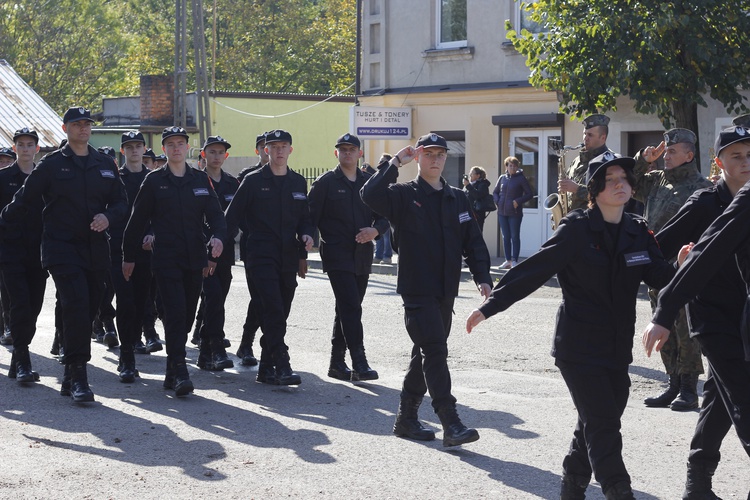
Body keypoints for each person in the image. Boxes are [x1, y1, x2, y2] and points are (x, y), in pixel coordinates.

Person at [466, 152, 680, 500]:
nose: (619, 184)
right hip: (578, 347)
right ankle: (618, 490)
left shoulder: (637, 230)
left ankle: (572, 485)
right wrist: (492, 305)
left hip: (616, 346)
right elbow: (535, 269)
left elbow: (659, 275)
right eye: (610, 180)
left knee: (597, 420)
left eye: (624, 178)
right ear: (594, 190)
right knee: (604, 424)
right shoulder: (577, 229)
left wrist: (684, 266)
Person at [361, 133, 492, 447]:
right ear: (417, 157)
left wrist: (483, 276)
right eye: (428, 153)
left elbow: (472, 240)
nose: (435, 159)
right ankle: (451, 422)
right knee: (435, 350)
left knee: (426, 353)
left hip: (445, 289)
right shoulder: (404, 195)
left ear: (446, 158)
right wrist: (394, 163)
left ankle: (406, 420)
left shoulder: (457, 197)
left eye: (440, 154)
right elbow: (369, 194)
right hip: (417, 289)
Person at [642, 125, 750, 499]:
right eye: (736, 155)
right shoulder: (705, 203)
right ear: (719, 162)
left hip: (746, 315)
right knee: (744, 396)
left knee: (722, 397)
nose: (746, 162)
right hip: (712, 316)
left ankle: (697, 481)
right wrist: (678, 266)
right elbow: (658, 247)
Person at [1, 106, 128, 403]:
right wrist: (3, 220)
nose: (83, 128)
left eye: (87, 124)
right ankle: (79, 375)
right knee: (75, 303)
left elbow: (121, 203)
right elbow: (24, 199)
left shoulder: (105, 164)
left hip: (95, 249)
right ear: (65, 129)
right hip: (61, 248)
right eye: (77, 124)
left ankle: (70, 374)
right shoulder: (52, 165)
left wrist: (109, 217)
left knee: (89, 309)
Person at [122, 126, 226, 397]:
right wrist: (128, 257)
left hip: (194, 259)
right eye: (171, 144)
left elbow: (216, 215)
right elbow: (136, 222)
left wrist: (218, 237)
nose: (176, 148)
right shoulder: (154, 181)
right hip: (166, 259)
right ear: (164, 149)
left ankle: (172, 369)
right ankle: (180, 370)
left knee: (187, 315)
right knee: (176, 312)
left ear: (187, 147)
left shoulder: (200, 180)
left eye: (180, 143)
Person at [225, 129, 314, 386]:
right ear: (266, 150)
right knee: (273, 309)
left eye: (283, 146)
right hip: (260, 254)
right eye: (273, 146)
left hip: (287, 255)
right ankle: (282, 363)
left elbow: (305, 219)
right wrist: (219, 244)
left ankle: (265, 367)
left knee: (281, 311)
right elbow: (232, 216)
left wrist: (307, 236)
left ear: (290, 150)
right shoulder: (252, 181)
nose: (278, 150)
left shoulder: (298, 182)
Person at [635, 128, 712, 411]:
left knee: (683, 326)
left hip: (685, 265)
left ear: (689, 155)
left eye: (672, 151)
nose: (665, 155)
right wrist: (644, 159)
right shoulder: (655, 181)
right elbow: (625, 181)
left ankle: (690, 388)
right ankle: (673, 384)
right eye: (664, 150)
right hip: (656, 265)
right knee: (660, 321)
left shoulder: (702, 187)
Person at [308, 133, 388, 381]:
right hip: (336, 254)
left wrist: (375, 230)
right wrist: (306, 242)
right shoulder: (325, 183)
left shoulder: (370, 182)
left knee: (347, 308)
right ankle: (359, 361)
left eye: (352, 150)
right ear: (336, 154)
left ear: (359, 153)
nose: (347, 154)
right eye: (342, 150)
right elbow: (310, 217)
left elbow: (385, 216)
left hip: (362, 255)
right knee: (351, 307)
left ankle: (336, 362)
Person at [0, 128, 46, 383]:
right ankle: (23, 360)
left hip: (39, 252)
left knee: (34, 307)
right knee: (19, 305)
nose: (26, 148)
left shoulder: (45, 179)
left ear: (37, 148)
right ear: (15, 147)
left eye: (30, 144)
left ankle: (17, 359)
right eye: (21, 144)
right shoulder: (3, 178)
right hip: (11, 251)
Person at [107, 130, 154, 383]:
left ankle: (133, 343)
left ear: (145, 149)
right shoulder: (115, 180)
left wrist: (152, 234)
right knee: (125, 304)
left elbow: (162, 214)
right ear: (122, 151)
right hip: (118, 252)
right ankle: (126, 358)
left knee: (140, 304)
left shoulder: (154, 179)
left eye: (138, 146)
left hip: (146, 253)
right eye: (129, 146)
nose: (134, 150)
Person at [194, 135, 238, 371]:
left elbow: (237, 217)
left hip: (226, 253)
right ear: (203, 155)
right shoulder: (195, 181)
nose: (216, 156)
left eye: (220, 152)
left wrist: (223, 238)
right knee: (212, 299)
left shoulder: (232, 184)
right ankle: (217, 347)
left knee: (218, 299)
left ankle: (205, 349)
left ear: (226, 156)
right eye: (212, 152)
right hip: (201, 252)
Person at [234, 131, 270, 367]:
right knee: (259, 296)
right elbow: (238, 212)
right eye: (263, 146)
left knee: (273, 298)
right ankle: (247, 343)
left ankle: (266, 346)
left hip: (281, 249)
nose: (269, 150)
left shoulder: (290, 177)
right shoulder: (247, 176)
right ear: (258, 150)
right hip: (254, 246)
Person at [558, 114, 612, 211]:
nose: (585, 138)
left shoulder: (609, 161)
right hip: (572, 221)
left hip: (593, 222)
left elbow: (608, 196)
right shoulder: (577, 160)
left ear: (603, 138)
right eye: (584, 133)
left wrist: (577, 189)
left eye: (590, 135)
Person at [492, 157, 533, 268]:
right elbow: (495, 192)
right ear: (506, 166)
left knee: (514, 236)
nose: (513, 168)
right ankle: (508, 260)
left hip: (515, 213)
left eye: (515, 166)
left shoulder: (521, 179)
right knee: (506, 237)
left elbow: (530, 194)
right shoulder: (502, 178)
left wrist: (518, 201)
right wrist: (497, 201)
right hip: (502, 212)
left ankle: (514, 260)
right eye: (510, 166)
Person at [0, 147, 17, 346]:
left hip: (12, 243)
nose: (3, 163)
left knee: (7, 287)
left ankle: (8, 325)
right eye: (1, 160)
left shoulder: (24, 181)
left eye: (7, 160)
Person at [373, 153, 394, 264]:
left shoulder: (390, 173)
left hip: (387, 208)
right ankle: (378, 256)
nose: (379, 163)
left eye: (382, 161)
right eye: (379, 161)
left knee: (387, 235)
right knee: (378, 234)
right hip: (378, 208)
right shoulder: (378, 174)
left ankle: (387, 257)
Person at [463, 166, 493, 232]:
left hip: (477, 213)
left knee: (477, 232)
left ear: (478, 175)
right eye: (470, 173)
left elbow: (478, 195)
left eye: (472, 173)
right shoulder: (471, 184)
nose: (470, 175)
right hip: (468, 212)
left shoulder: (482, 184)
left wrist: (468, 186)